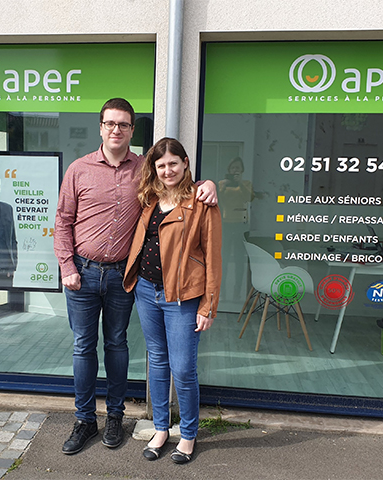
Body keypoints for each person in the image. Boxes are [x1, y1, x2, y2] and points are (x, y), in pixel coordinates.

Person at [53, 98, 217, 455]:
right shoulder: (79, 170)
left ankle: (114, 416)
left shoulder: (145, 169)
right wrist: (67, 266)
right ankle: (84, 420)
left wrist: (209, 183)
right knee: (83, 347)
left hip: (121, 279)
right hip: (82, 273)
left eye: (124, 125)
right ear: (101, 127)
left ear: (131, 130)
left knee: (117, 345)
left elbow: (179, 183)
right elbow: (62, 221)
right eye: (110, 123)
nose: (116, 130)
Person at [123, 137, 222, 464]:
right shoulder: (148, 198)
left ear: (185, 164)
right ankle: (162, 429)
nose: (167, 171)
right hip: (147, 291)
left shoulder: (201, 201)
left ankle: (189, 435)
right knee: (158, 362)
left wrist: (208, 305)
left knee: (183, 368)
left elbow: (213, 257)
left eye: (173, 164)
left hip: (182, 297)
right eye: (160, 165)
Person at [218, 157, 254, 301]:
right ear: (229, 170)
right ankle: (222, 292)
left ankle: (237, 292)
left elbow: (249, 198)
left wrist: (240, 183)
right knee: (224, 259)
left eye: (238, 168)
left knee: (240, 260)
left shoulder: (246, 184)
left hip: (241, 224)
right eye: (233, 168)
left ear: (242, 170)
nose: (235, 170)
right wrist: (223, 186)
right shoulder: (222, 184)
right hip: (226, 223)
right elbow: (218, 200)